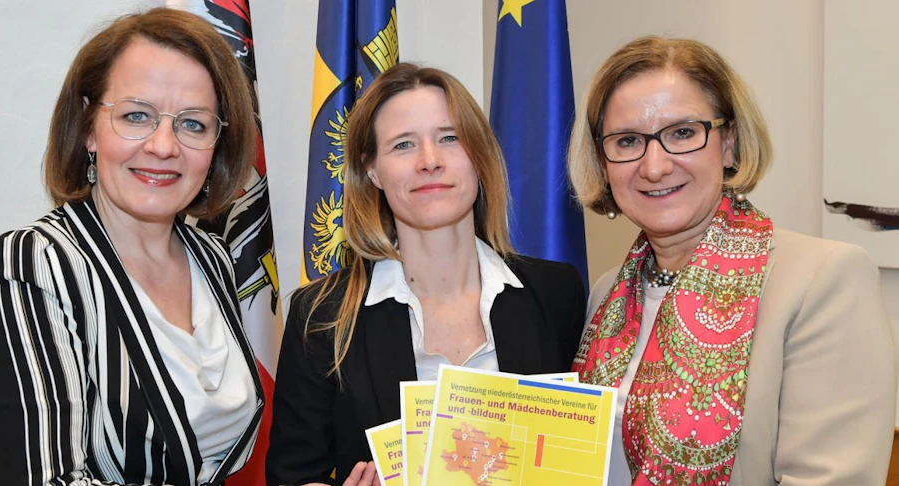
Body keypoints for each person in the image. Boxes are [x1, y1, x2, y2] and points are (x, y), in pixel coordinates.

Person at [0, 8, 265, 486]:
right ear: (87, 129)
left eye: (194, 124)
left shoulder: (212, 258)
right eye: (136, 116)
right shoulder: (31, 266)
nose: (164, 146)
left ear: (217, 146)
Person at [568, 36, 896, 485]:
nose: (655, 165)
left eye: (682, 133)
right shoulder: (608, 294)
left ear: (729, 143)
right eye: (627, 141)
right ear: (603, 162)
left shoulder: (824, 280)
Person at [266, 63, 587, 486]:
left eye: (449, 139)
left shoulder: (556, 293)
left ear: (479, 156)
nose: (430, 161)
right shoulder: (321, 317)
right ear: (372, 171)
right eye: (403, 145)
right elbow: (293, 474)